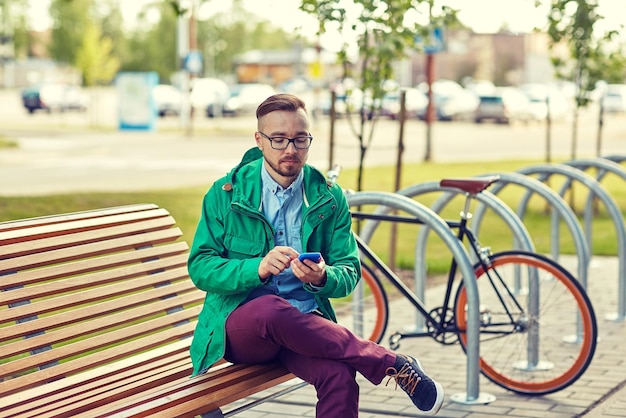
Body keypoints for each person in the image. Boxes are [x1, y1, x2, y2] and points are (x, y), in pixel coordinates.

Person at [187, 93, 444, 417]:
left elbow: (349, 271)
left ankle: (386, 364)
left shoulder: (328, 197)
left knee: (339, 376)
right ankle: (390, 363)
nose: (290, 150)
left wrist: (323, 277)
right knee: (269, 308)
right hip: (243, 328)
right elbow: (201, 267)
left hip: (303, 324)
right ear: (259, 140)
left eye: (300, 139)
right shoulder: (227, 193)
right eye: (279, 139)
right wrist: (258, 268)